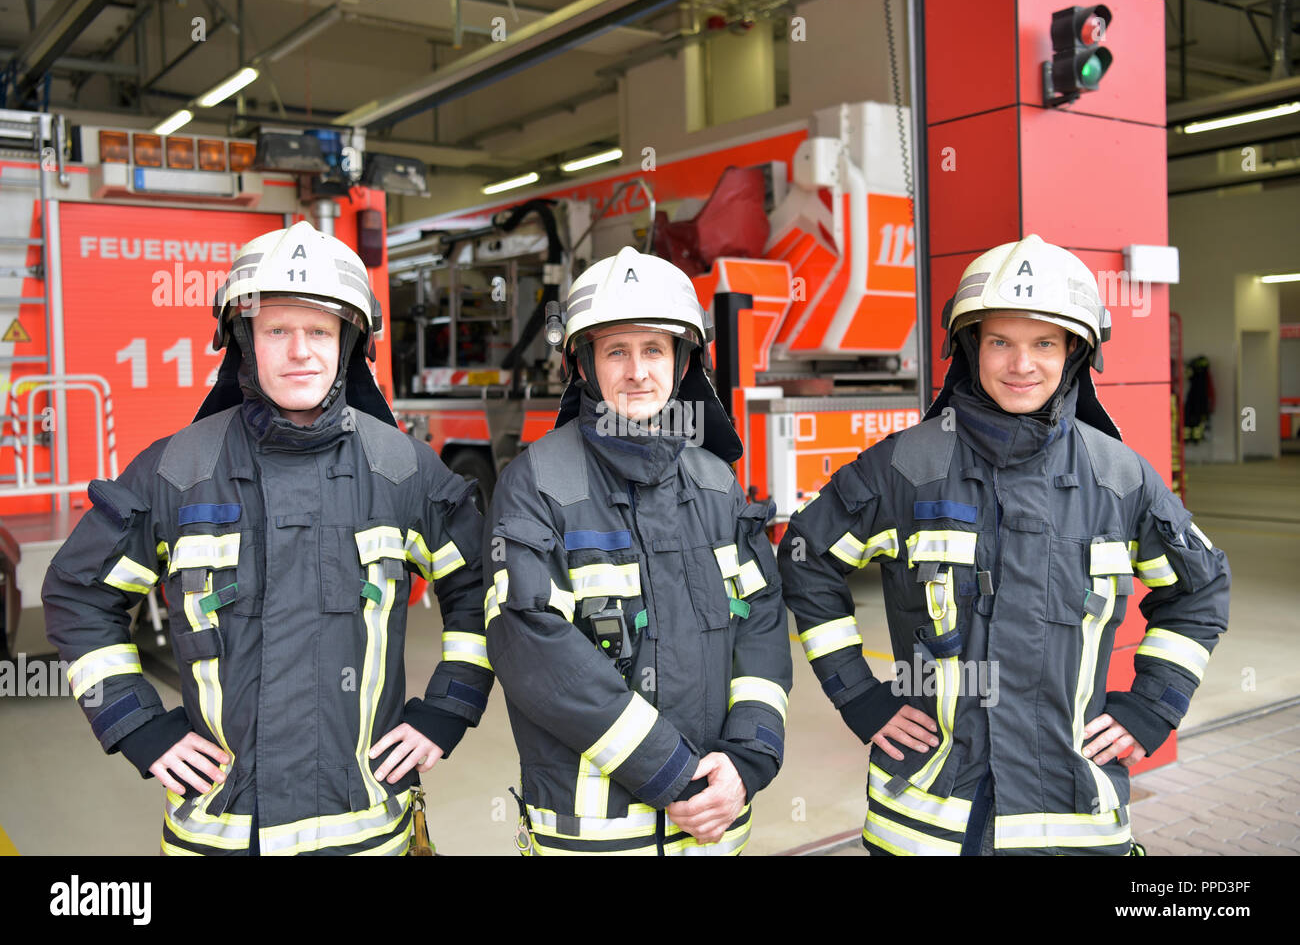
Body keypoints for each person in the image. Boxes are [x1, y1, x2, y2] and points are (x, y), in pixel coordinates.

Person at [43, 221, 490, 855]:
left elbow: (484, 588)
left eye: (320, 331)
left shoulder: (404, 471)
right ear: (243, 340)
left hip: (363, 833)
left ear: (349, 344)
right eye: (278, 330)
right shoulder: (178, 470)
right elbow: (78, 596)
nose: (300, 351)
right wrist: (137, 725)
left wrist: (448, 709)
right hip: (219, 835)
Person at [777, 234, 1230, 856]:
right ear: (970, 347)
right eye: (1001, 342)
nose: (1022, 364)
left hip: (1072, 819)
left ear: (1074, 353)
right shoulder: (906, 468)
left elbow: (1200, 589)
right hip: (928, 826)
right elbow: (807, 560)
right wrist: (861, 696)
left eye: (1044, 342)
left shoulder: (1119, 479)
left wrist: (1150, 707)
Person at [484, 247, 792, 855]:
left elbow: (760, 620)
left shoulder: (716, 482)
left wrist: (748, 757)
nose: (637, 372)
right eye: (616, 351)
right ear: (584, 365)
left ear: (681, 364)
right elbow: (532, 647)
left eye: (653, 350)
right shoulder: (538, 482)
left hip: (713, 830)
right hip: (595, 839)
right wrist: (672, 773)